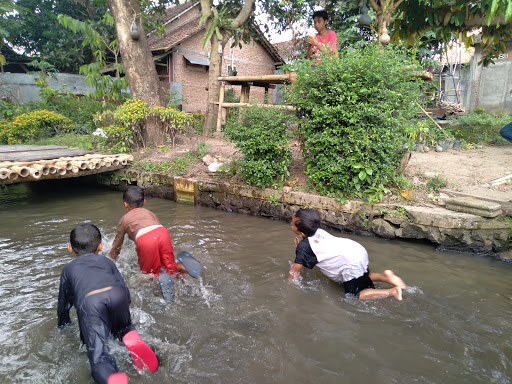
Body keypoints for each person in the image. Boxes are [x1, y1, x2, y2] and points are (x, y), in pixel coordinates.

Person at [57, 223, 158, 384]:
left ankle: (111, 377)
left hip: (91, 301)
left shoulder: (68, 269)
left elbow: (64, 303)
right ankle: (128, 333)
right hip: (118, 295)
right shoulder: (107, 261)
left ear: (70, 248)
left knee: (99, 354)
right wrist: (125, 315)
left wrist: (63, 325)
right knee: (122, 328)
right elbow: (124, 288)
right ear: (101, 246)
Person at [288, 209, 405, 300]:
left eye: (292, 224)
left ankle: (391, 292)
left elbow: (295, 271)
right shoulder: (318, 231)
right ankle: (385, 276)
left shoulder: (305, 246)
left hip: (350, 261)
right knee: (362, 276)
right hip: (356, 249)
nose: (291, 225)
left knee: (355, 296)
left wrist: (290, 287)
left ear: (301, 232)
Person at [109, 186, 186, 277]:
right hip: (163, 233)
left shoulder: (124, 219)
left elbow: (117, 245)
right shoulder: (150, 213)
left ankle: (157, 281)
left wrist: (111, 259)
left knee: (148, 275)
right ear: (144, 201)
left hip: (145, 239)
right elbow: (155, 231)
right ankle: (180, 266)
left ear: (126, 205)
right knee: (170, 267)